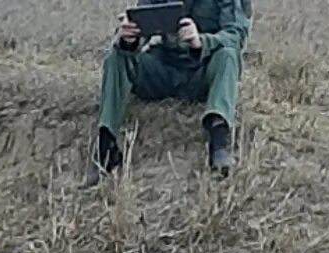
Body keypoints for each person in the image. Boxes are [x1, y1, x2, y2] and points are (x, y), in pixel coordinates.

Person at [94, 0, 247, 179]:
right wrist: (129, 38)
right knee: (116, 55)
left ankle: (218, 141)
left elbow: (236, 35)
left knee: (228, 55)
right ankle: (106, 142)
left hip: (203, 70)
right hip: (164, 68)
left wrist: (202, 41)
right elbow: (142, 23)